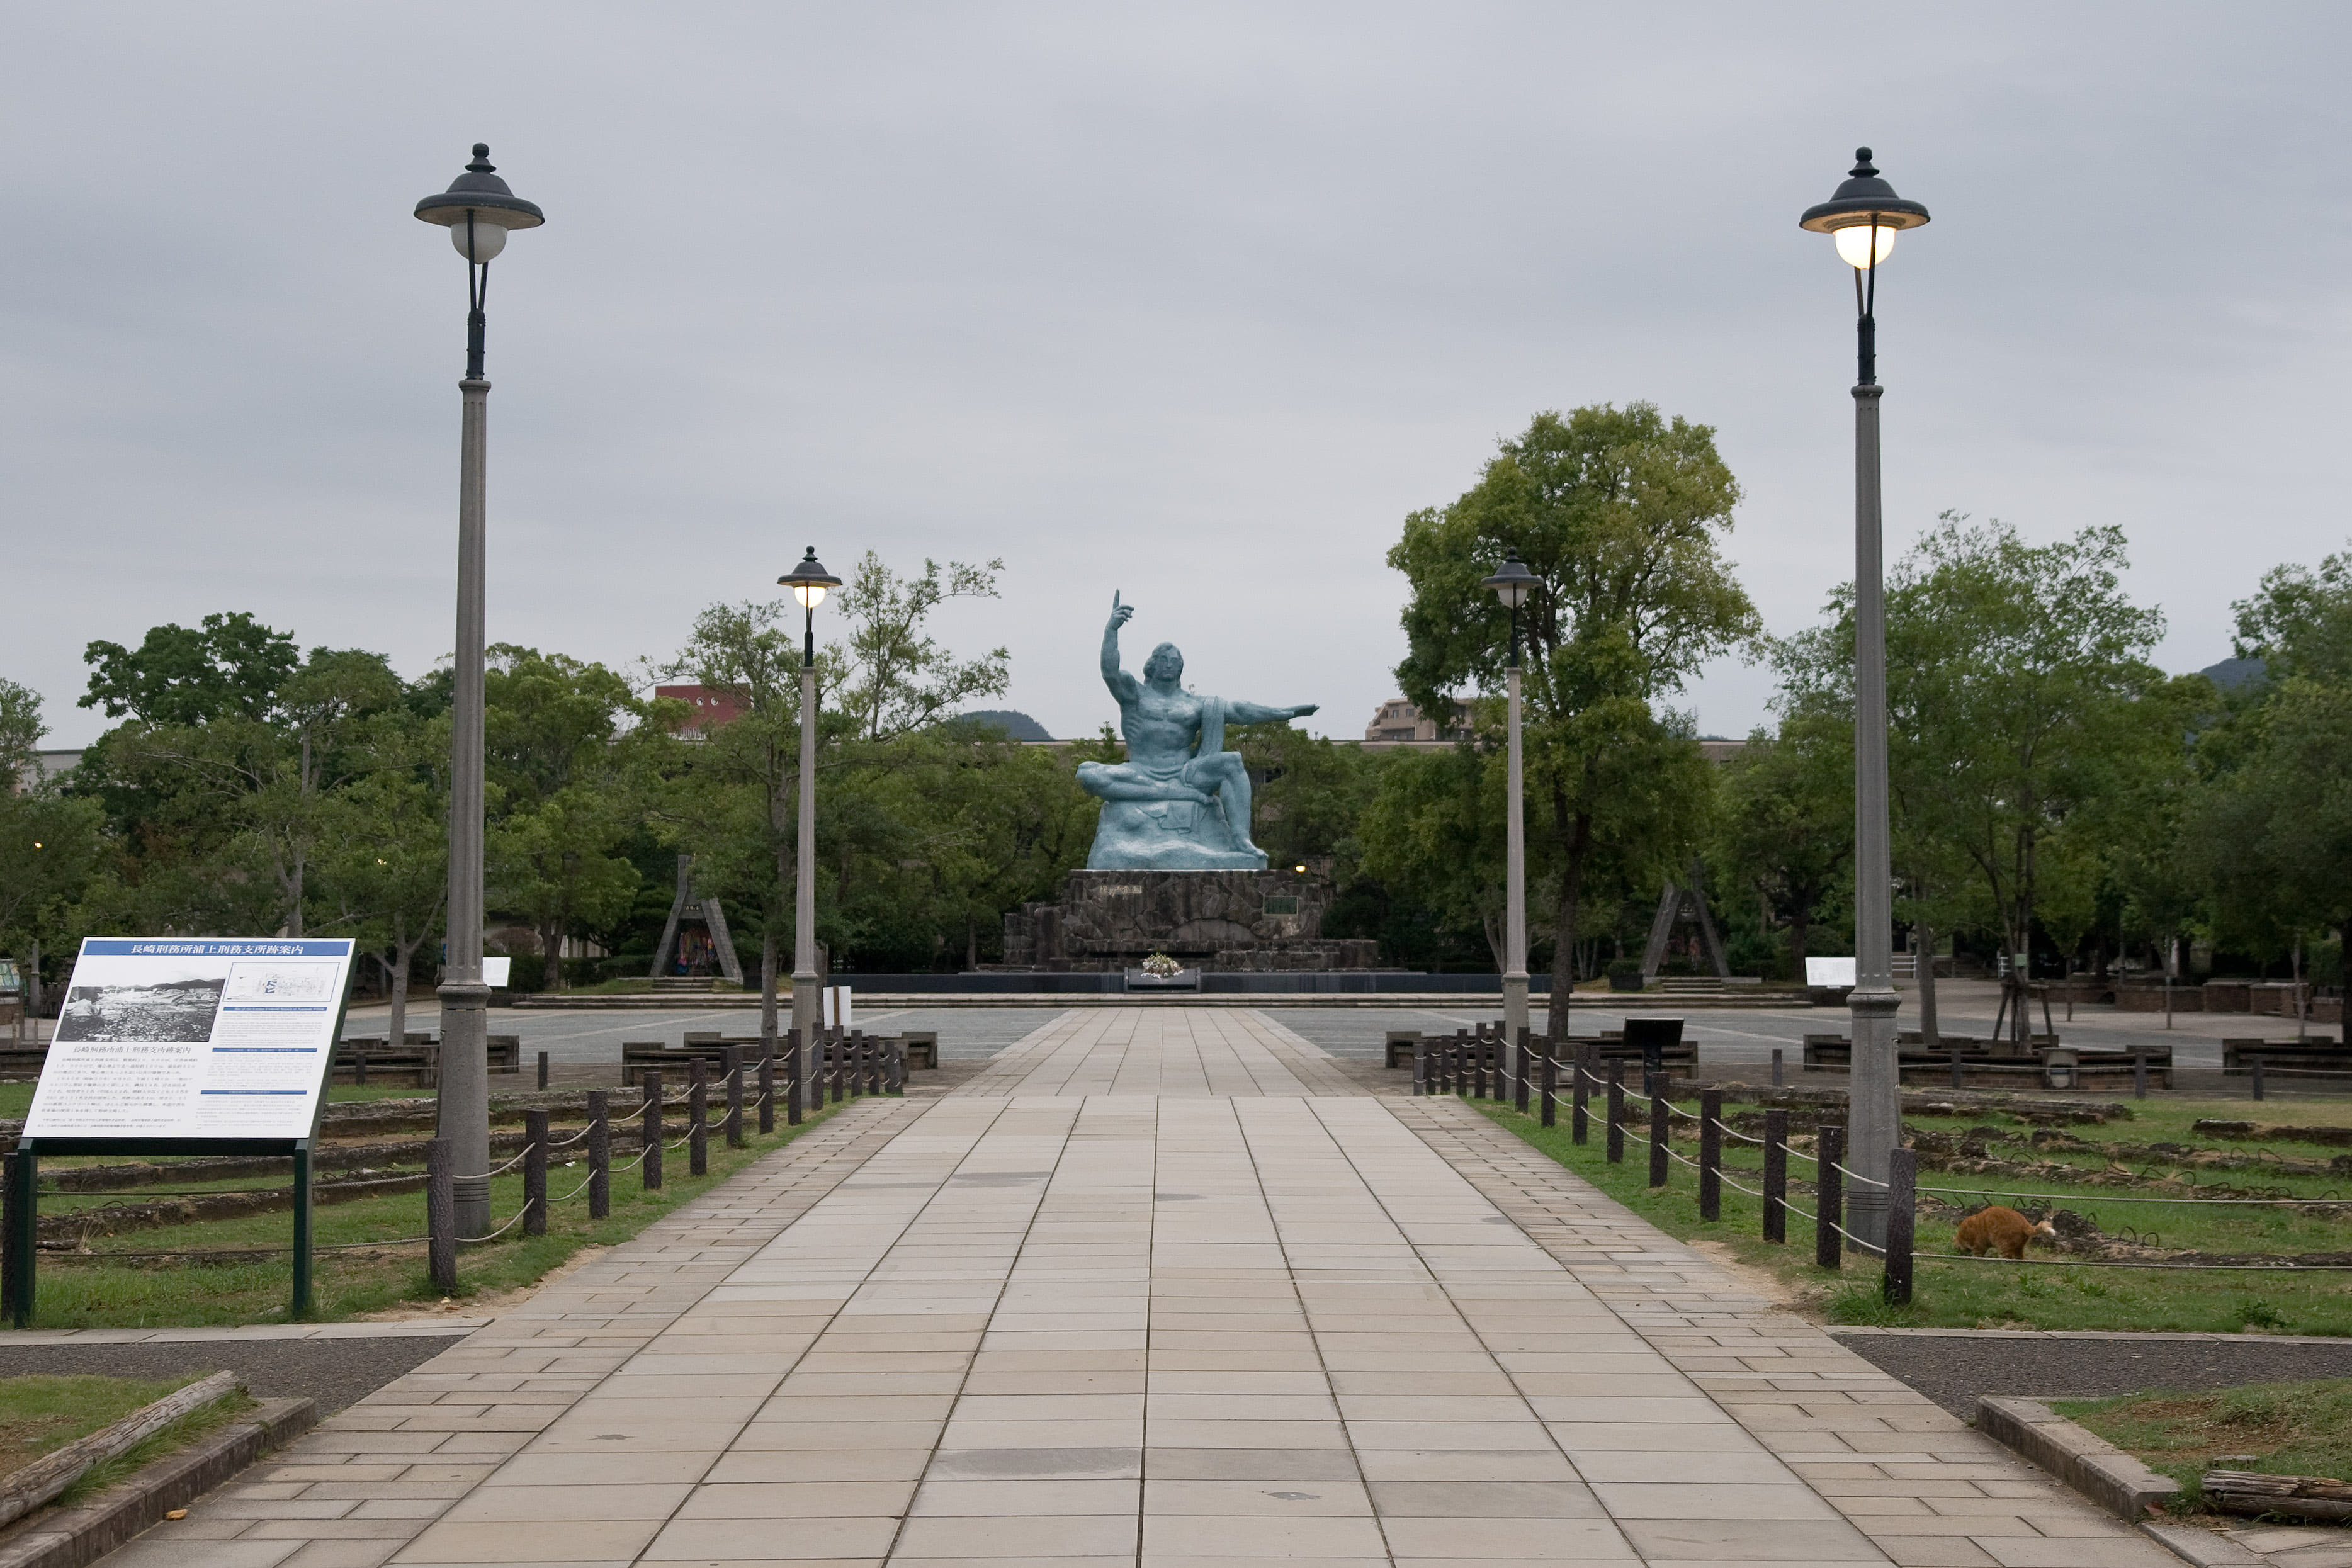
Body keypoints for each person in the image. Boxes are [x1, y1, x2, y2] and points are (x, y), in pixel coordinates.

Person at [1076, 592, 1316, 860]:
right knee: (1087, 773)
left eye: (1175, 661)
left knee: (1232, 762)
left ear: (1181, 668)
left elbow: (1239, 710)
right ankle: (1169, 793)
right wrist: (1112, 630)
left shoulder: (1195, 705)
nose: (1169, 664)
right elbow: (1110, 672)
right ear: (1152, 665)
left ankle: (1241, 840)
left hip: (1186, 774)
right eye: (1164, 660)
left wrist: (1285, 713)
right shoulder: (1134, 694)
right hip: (1140, 772)